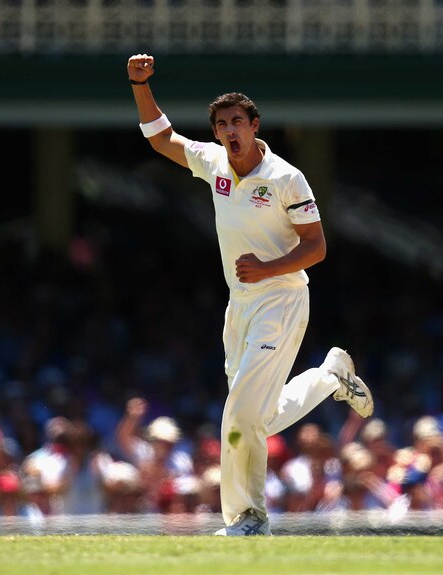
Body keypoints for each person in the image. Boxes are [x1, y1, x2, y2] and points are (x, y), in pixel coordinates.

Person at [126, 54, 374, 536]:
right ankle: (329, 378)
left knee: (239, 413)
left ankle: (249, 517)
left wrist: (266, 269)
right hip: (239, 306)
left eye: (237, 121)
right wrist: (139, 84)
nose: (229, 130)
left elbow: (317, 247)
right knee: (256, 417)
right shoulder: (214, 161)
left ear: (254, 125)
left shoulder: (286, 178)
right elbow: (161, 138)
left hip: (281, 299)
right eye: (221, 124)